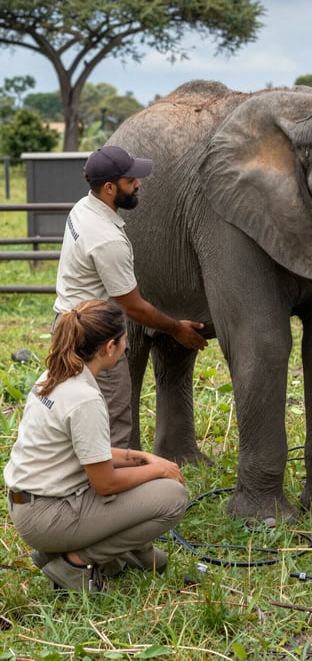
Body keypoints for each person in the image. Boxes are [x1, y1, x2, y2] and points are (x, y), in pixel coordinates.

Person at [4, 299, 188, 592]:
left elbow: (89, 453)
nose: (127, 347)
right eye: (125, 340)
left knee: (143, 481)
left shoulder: (54, 375)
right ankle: (74, 565)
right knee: (172, 497)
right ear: (109, 347)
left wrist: (141, 458)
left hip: (29, 506)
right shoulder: (84, 398)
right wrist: (159, 471)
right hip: (49, 515)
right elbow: (105, 484)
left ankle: (85, 552)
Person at [54, 144, 207, 447]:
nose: (138, 184)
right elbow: (133, 307)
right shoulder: (106, 238)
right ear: (110, 187)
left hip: (66, 322)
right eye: (130, 180)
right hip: (94, 337)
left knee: (74, 409)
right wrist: (177, 329)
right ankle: (111, 488)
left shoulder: (83, 208)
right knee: (113, 421)